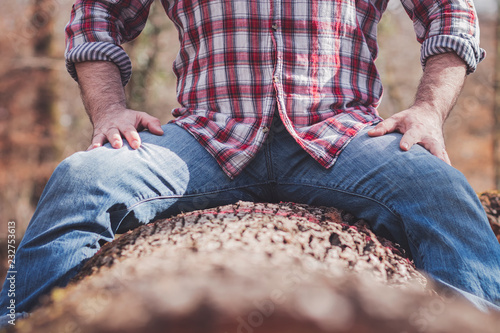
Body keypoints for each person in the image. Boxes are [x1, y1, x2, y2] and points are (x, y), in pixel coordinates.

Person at [1, 0, 500, 325]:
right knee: (80, 178)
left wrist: (429, 111)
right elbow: (95, 13)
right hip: (202, 140)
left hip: (344, 138)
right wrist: (109, 109)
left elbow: (451, 10)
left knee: (440, 188)